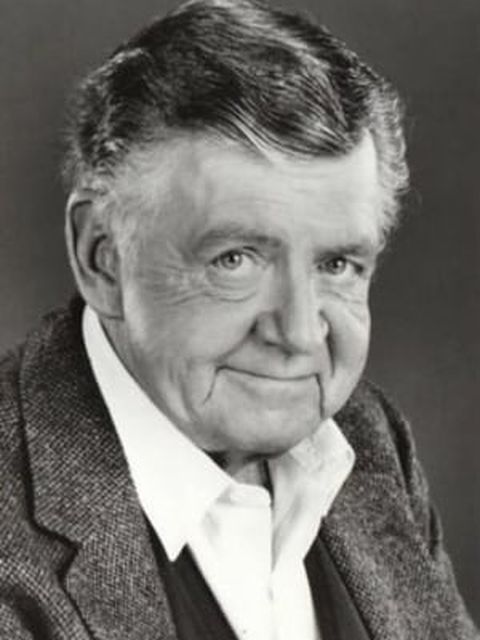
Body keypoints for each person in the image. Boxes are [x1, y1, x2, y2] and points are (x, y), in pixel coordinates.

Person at [0, 0, 477, 638]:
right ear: (103, 257)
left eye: (336, 264)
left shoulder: (369, 442)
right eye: (236, 260)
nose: (300, 334)